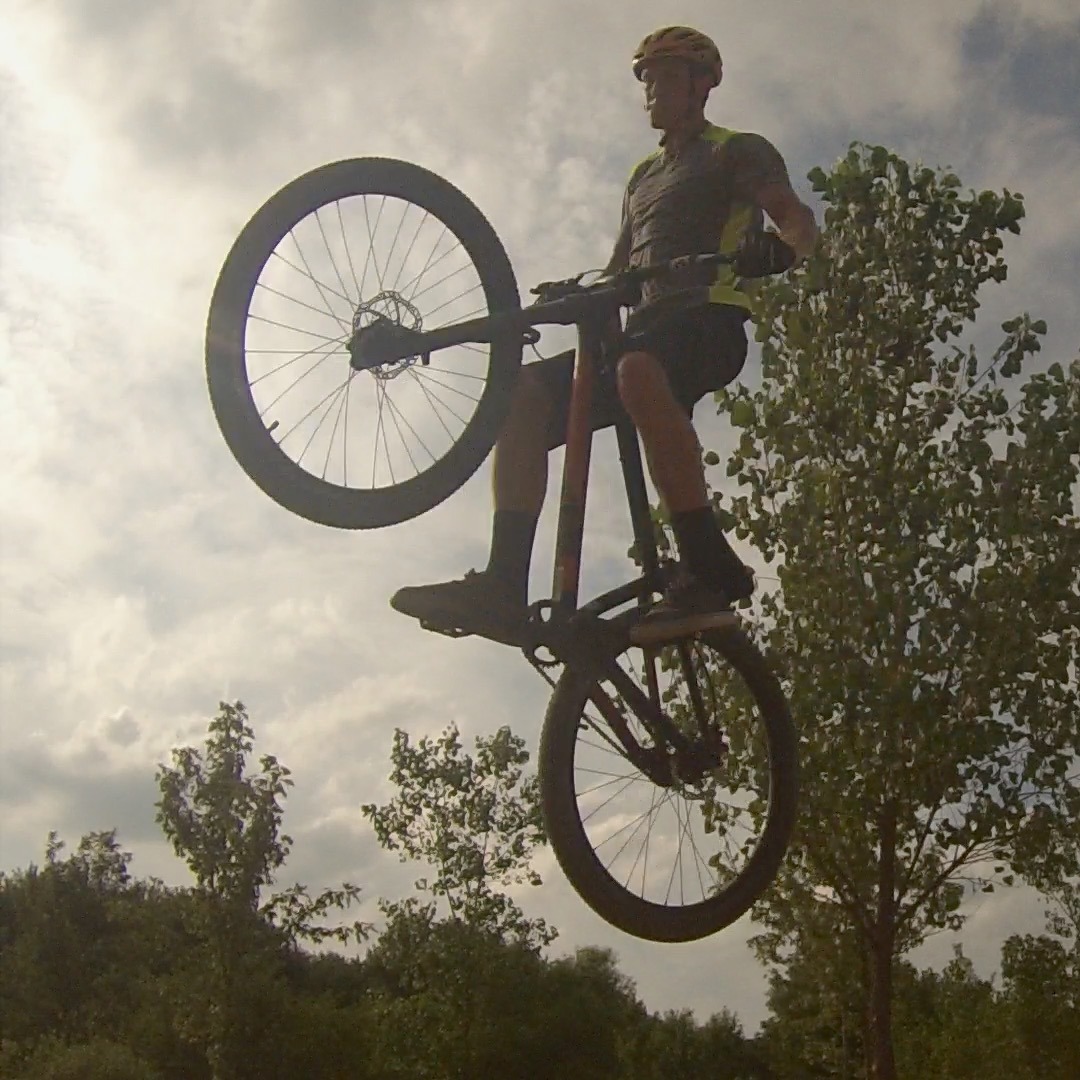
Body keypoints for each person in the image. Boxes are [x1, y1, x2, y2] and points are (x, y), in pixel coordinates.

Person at [391, 25, 818, 646]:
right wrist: (579, 295)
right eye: (646, 77)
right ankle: (503, 584)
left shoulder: (735, 150)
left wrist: (780, 251)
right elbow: (621, 270)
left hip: (708, 321)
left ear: (702, 85)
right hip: (642, 336)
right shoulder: (642, 176)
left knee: (637, 370)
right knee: (524, 394)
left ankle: (708, 565)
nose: (652, 88)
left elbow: (798, 220)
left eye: (666, 75)